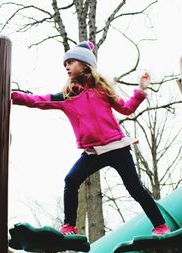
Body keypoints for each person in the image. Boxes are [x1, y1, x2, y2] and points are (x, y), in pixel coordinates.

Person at [11, 41, 170, 236]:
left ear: (85, 64)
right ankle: (69, 225)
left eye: (70, 62)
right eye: (65, 64)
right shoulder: (66, 96)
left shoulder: (102, 90)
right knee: (71, 180)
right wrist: (13, 97)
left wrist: (141, 90)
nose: (67, 67)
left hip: (117, 147)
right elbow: (38, 100)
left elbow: (127, 108)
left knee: (135, 188)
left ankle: (161, 225)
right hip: (93, 152)